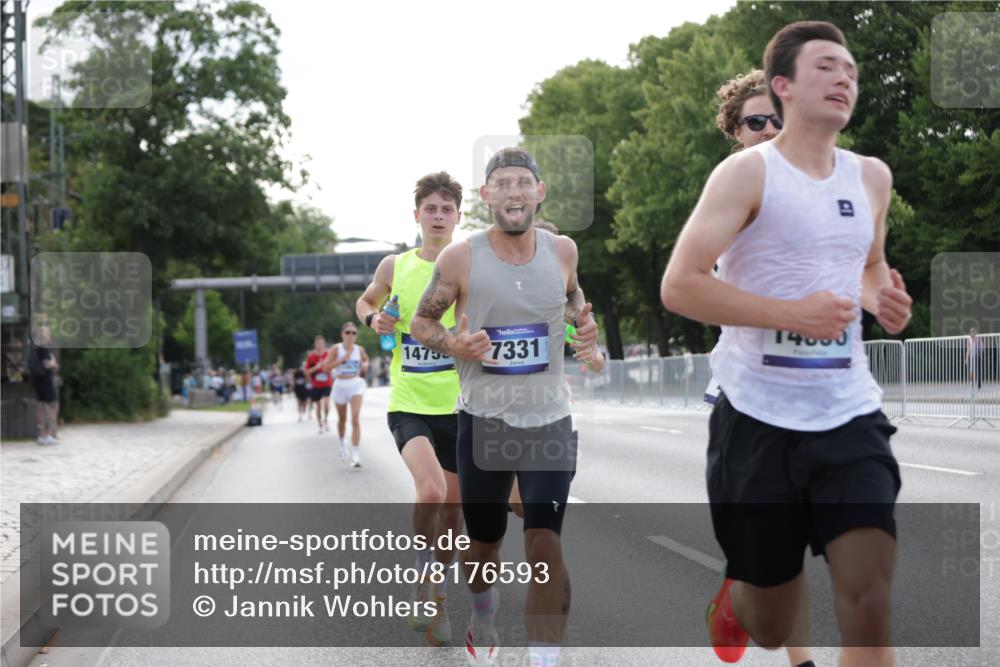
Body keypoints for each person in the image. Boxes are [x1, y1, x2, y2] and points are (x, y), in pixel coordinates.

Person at [660, 22, 912, 667]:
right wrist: (792, 315)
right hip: (757, 419)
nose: (844, 78)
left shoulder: (872, 178)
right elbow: (680, 287)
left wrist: (882, 295)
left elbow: (869, 264)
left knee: (871, 599)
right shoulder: (746, 175)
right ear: (784, 87)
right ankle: (737, 600)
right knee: (771, 626)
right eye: (826, 66)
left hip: (847, 410)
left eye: (851, 70)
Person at [411, 148, 600, 667]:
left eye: (524, 182)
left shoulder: (563, 250)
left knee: (545, 546)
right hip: (484, 424)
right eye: (502, 183)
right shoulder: (461, 258)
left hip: (549, 423)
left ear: (539, 193)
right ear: (487, 196)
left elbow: (574, 300)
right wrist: (456, 345)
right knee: (485, 549)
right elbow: (422, 324)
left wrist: (584, 324)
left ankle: (543, 660)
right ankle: (482, 613)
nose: (514, 191)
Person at [707, 68, 815, 667]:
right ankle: (740, 583)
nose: (771, 128)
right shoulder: (732, 193)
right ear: (737, 133)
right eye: (756, 121)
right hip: (749, 387)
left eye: (779, 117)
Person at [356, 171, 467, 646]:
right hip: (409, 404)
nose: (439, 217)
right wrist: (373, 318)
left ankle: (437, 593)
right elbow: (365, 303)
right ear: (417, 214)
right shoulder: (394, 266)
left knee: (455, 515)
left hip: (462, 407)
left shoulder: (471, 265)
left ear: (459, 216)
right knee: (430, 490)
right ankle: (423, 578)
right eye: (431, 209)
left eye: (447, 210)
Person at [323, 322, 369, 467]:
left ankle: (356, 454)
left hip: (355, 384)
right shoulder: (336, 349)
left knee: (355, 420)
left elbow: (365, 359)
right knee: (342, 420)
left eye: (354, 333)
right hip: (340, 385)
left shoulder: (359, 349)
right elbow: (325, 368)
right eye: (348, 332)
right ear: (342, 334)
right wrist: (341, 361)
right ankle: (342, 444)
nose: (351, 335)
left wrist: (365, 365)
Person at [28, 325, 60, 445]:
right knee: (52, 407)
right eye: (44, 332)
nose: (45, 334)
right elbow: (47, 364)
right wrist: (53, 364)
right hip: (46, 382)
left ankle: (42, 435)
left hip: (38, 382)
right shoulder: (44, 348)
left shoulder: (35, 347)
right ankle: (46, 435)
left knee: (41, 407)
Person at [304, 335, 333, 434]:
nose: (320, 345)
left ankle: (326, 420)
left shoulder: (328, 354)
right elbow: (306, 372)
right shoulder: (311, 356)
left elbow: (333, 367)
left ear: (324, 344)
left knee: (326, 402)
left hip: (327, 383)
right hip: (316, 385)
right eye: (318, 343)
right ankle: (320, 424)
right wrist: (316, 368)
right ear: (315, 345)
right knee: (318, 406)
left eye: (322, 343)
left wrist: (326, 367)